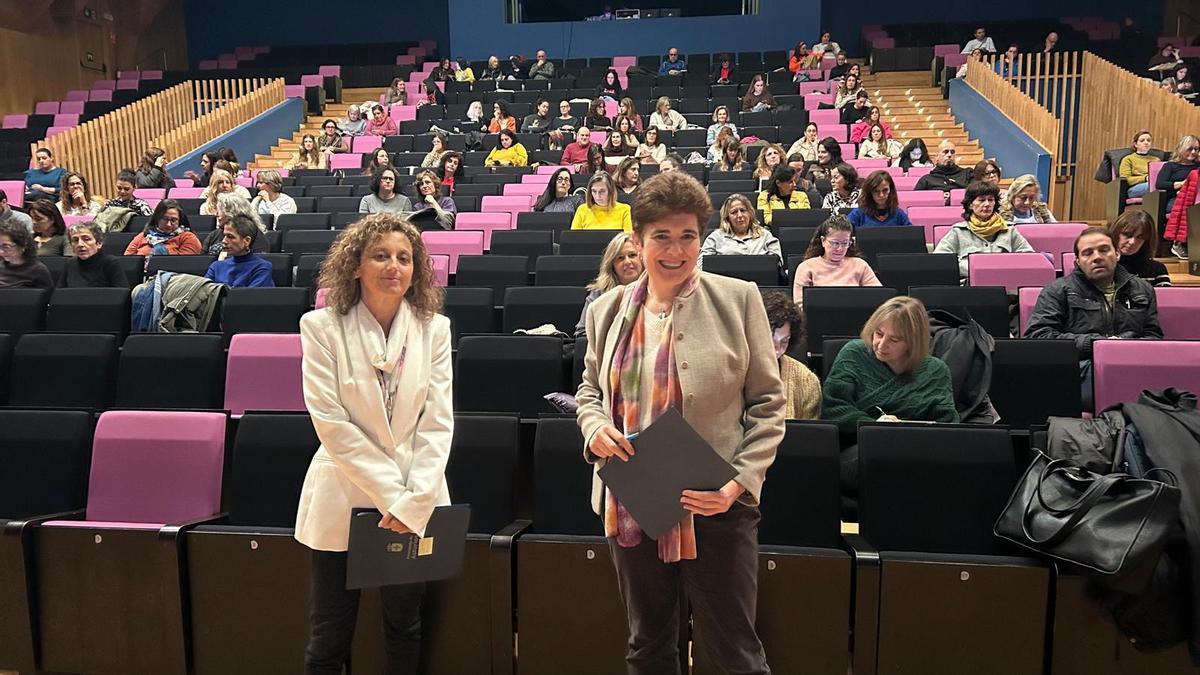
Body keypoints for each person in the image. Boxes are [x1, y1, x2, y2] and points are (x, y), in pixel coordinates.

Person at [575, 170, 784, 675]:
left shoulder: (738, 299)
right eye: (661, 237)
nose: (675, 250)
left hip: (717, 504)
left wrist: (738, 484)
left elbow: (769, 404)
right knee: (647, 644)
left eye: (687, 236)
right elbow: (588, 391)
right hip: (633, 500)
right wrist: (594, 426)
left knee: (734, 651)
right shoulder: (606, 309)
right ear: (637, 240)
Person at [296, 213, 451, 675]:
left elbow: (438, 422)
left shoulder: (434, 329)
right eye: (380, 255)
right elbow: (332, 423)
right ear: (356, 265)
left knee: (405, 627)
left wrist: (413, 500)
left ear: (416, 270)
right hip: (343, 496)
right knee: (329, 636)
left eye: (404, 258)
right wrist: (396, 499)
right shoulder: (321, 327)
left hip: (414, 500)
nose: (393, 266)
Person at [822, 297, 959, 493]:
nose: (881, 344)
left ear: (912, 342)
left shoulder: (936, 371)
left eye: (894, 340)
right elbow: (833, 408)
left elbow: (948, 425)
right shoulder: (854, 354)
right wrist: (874, 425)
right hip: (859, 450)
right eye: (878, 333)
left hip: (918, 451)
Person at [1025, 227, 1162, 410]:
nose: (1097, 257)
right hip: (1081, 372)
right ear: (1078, 262)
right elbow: (1037, 337)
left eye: (1104, 250)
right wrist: (1098, 345)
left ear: (1117, 253)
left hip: (1133, 370)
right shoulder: (1057, 291)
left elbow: (1154, 337)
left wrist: (1125, 345)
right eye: (1087, 253)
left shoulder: (1142, 289)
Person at [933, 181, 1035, 281]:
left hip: (1006, 287)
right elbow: (940, 261)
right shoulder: (958, 232)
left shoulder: (1009, 230)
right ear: (970, 205)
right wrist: (977, 270)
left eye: (990, 200)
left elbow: (1029, 258)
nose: (987, 204)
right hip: (970, 287)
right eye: (981, 200)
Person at [793, 215, 881, 310]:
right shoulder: (806, 267)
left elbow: (878, 297)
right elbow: (799, 307)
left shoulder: (860, 265)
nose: (840, 249)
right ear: (823, 241)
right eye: (835, 243)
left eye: (845, 243)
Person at [761, 290, 821, 420]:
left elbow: (808, 435)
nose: (777, 350)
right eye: (769, 340)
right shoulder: (729, 372)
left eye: (784, 341)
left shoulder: (805, 380)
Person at [574, 231, 643, 338]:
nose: (627, 262)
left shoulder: (658, 290)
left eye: (632, 255)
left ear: (642, 258)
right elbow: (582, 331)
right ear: (612, 265)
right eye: (620, 258)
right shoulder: (599, 293)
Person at [699, 193, 782, 269]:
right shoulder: (715, 237)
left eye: (743, 210)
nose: (739, 215)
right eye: (734, 212)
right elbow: (701, 265)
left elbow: (777, 264)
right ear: (727, 217)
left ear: (750, 213)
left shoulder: (765, 235)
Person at [1155, 134, 1199, 259]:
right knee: (1190, 210)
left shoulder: (1198, 166)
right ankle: (1179, 243)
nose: (1194, 152)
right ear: (1181, 148)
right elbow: (1160, 184)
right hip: (1173, 199)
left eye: (1196, 149)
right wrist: (1181, 185)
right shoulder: (1170, 166)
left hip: (1195, 198)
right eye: (1190, 148)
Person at [203, 212, 274, 288]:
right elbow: (203, 294)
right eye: (224, 236)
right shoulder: (216, 267)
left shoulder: (262, 267)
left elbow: (250, 297)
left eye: (230, 236)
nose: (224, 241)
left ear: (247, 240)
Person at [57, 221, 127, 288]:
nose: (80, 244)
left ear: (99, 243)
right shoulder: (70, 263)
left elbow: (121, 294)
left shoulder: (111, 263)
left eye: (86, 239)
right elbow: (60, 293)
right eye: (75, 240)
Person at [1110, 210, 1171, 287]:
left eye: (1140, 237)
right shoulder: (1103, 267)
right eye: (1127, 234)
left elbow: (1163, 298)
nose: (1132, 242)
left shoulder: (1157, 270)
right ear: (1116, 233)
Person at [125, 199, 202, 256]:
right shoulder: (143, 236)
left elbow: (183, 265)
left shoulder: (188, 237)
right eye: (164, 219)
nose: (168, 224)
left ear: (180, 220)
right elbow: (128, 261)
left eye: (173, 220)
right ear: (157, 218)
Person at [849, 170, 913, 228]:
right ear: (869, 192)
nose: (881, 195)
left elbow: (911, 236)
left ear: (891, 190)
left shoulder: (899, 214)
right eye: (876, 191)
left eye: (885, 190)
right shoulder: (857, 214)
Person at [0, 219, 53, 289]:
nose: (1, 251)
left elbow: (48, 297)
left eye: (6, 247)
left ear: (23, 245)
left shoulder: (38, 270)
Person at [1120, 130, 1156, 199]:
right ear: (1135, 144)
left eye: (1148, 140)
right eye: (1142, 140)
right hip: (1134, 189)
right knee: (1153, 185)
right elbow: (1126, 179)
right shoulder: (1128, 159)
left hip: (1154, 185)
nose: (1146, 142)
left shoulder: (1156, 159)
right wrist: (1145, 178)